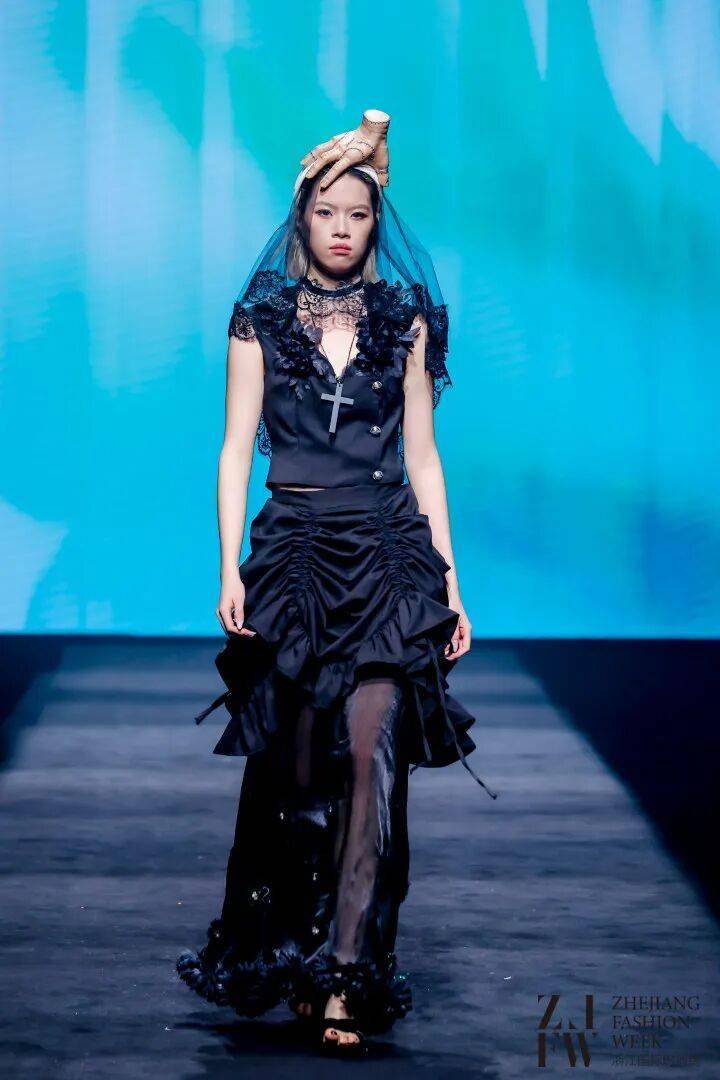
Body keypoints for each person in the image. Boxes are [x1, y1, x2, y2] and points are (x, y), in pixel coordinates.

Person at [176, 125, 498, 1055]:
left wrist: (450, 584)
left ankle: (347, 978)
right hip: (296, 560)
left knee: (371, 757)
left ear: (374, 223)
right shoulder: (260, 321)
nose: (344, 228)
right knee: (295, 770)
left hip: (388, 558)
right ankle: (292, 951)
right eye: (328, 212)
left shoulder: (406, 320)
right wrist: (228, 566)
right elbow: (235, 449)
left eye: (359, 214)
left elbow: (423, 458)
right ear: (303, 219)